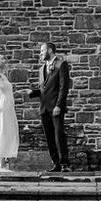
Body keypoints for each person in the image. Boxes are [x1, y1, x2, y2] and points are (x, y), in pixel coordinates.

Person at [29, 40, 71, 172]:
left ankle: (65, 164)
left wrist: (59, 105)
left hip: (56, 107)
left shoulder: (61, 64)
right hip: (44, 108)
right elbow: (43, 89)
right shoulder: (41, 69)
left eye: (42, 51)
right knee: (49, 136)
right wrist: (32, 93)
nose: (40, 53)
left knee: (59, 134)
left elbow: (64, 87)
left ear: (50, 51)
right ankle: (56, 163)